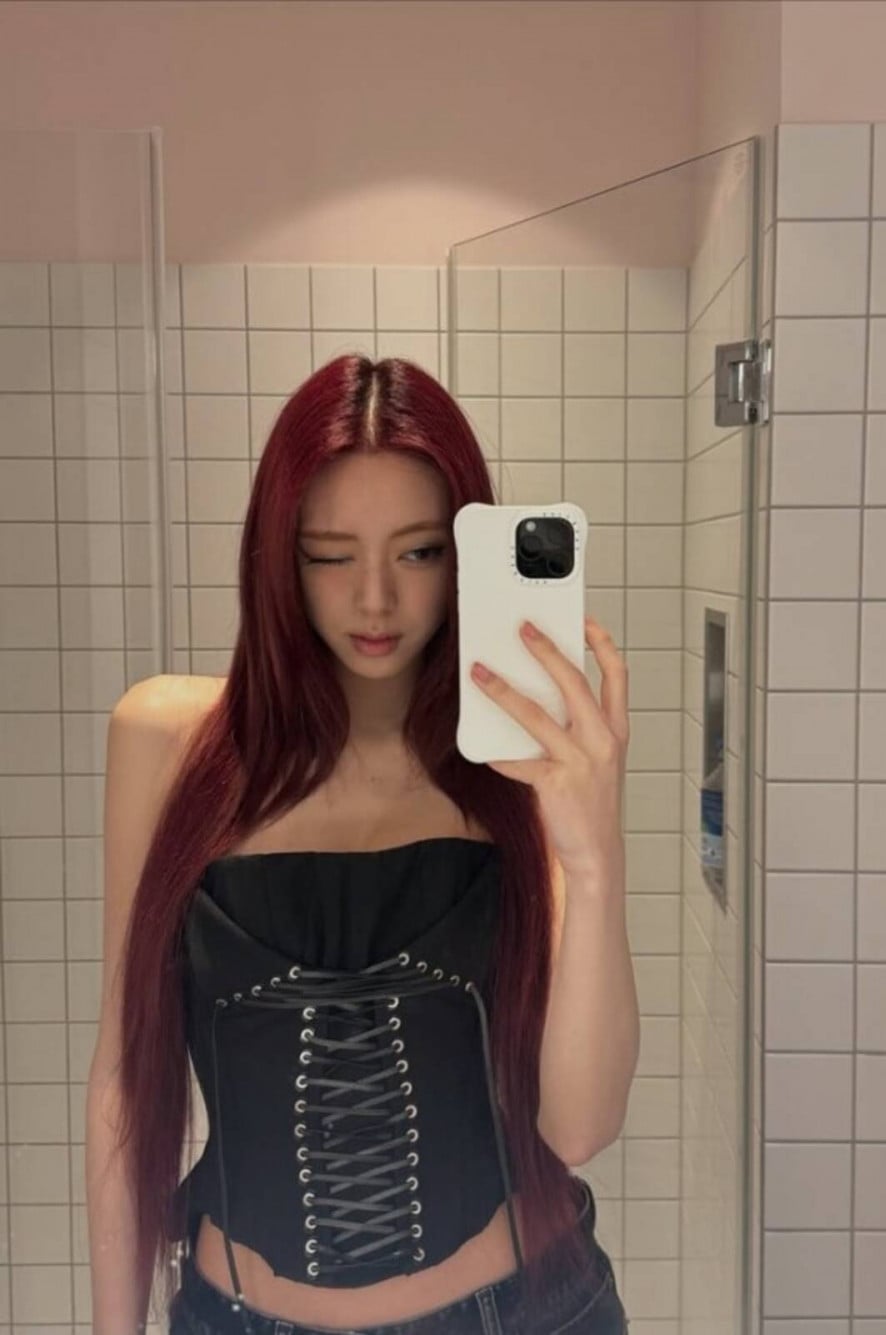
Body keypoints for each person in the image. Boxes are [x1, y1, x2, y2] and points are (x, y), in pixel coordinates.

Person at [86, 355, 639, 1335]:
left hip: (520, 1311)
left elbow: (579, 1127)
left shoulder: (517, 767)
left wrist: (593, 860)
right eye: (330, 554)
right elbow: (126, 1082)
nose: (376, 600)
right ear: (276, 557)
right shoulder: (167, 744)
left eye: (418, 552)